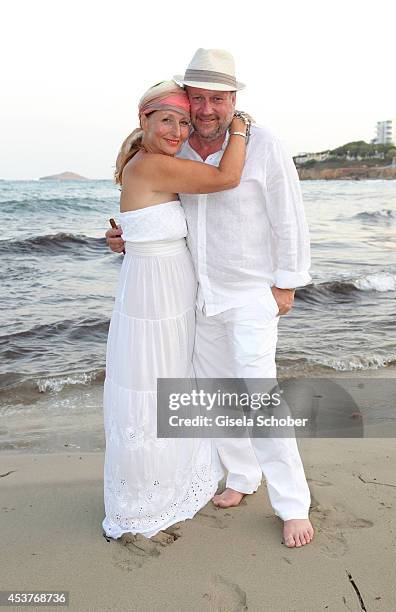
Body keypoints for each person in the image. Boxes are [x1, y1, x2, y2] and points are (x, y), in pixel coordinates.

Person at [106, 49, 314, 548]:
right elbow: (155, 211)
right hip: (197, 295)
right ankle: (241, 477)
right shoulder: (176, 150)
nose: (204, 110)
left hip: (250, 294)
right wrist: (125, 237)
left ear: (233, 99)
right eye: (197, 98)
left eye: (216, 99)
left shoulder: (262, 144)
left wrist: (286, 283)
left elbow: (290, 218)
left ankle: (293, 505)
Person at [102, 80, 249, 540]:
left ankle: (167, 481)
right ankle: (147, 493)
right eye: (168, 119)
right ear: (144, 119)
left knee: (164, 384)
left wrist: (123, 237)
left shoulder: (152, 165)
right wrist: (241, 128)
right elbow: (227, 177)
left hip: (164, 290)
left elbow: (147, 225)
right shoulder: (152, 167)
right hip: (155, 297)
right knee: (153, 386)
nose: (178, 129)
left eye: (184, 121)